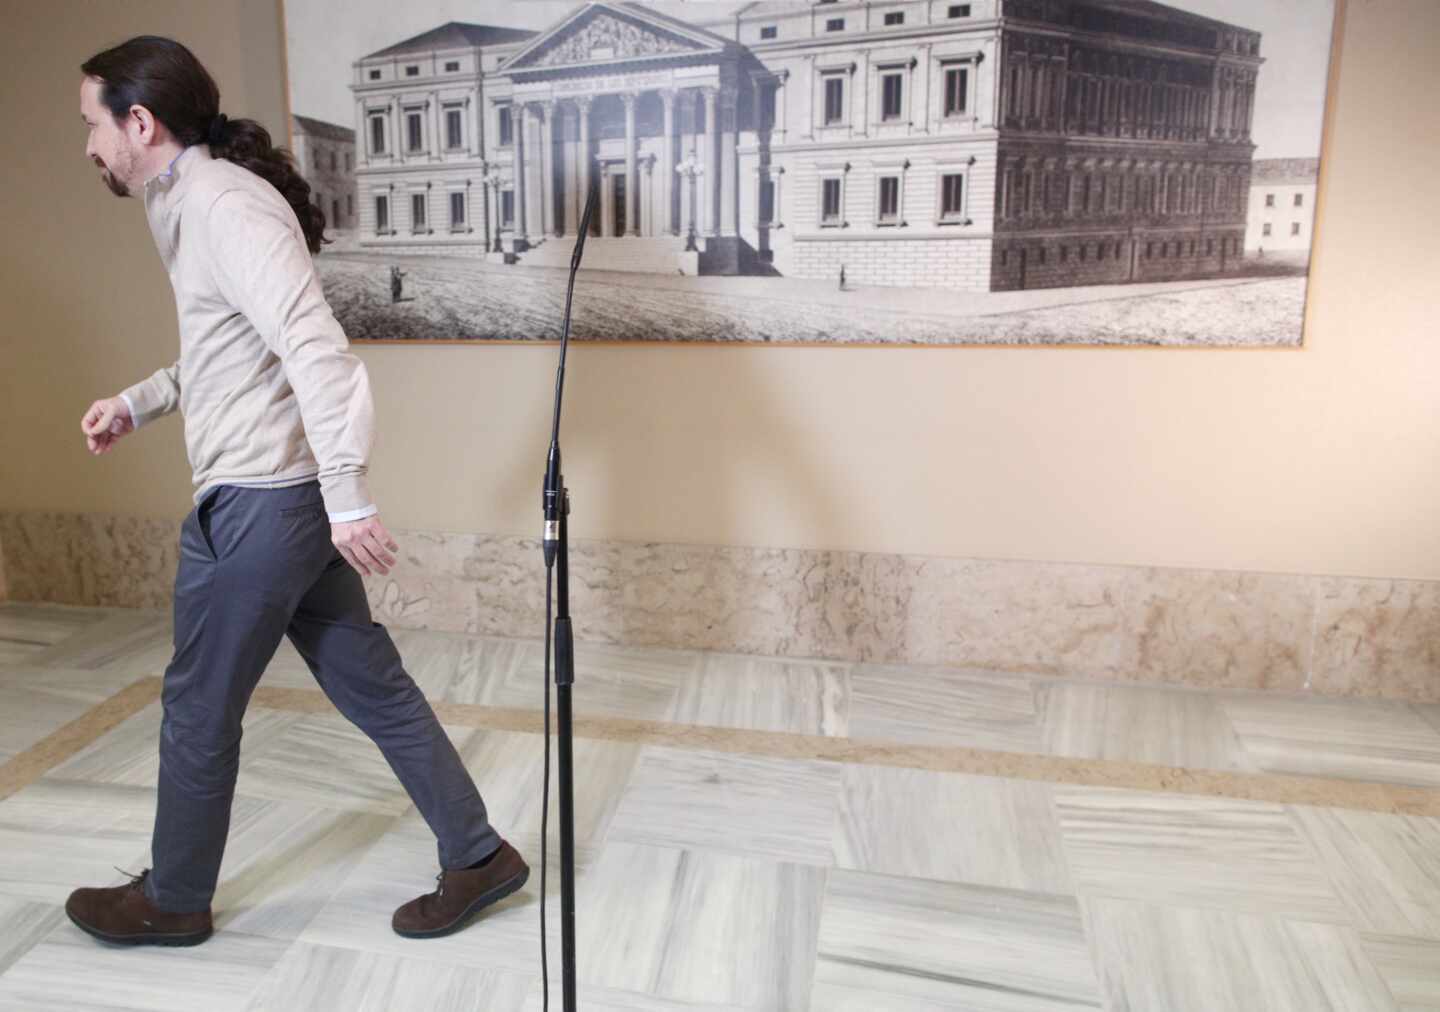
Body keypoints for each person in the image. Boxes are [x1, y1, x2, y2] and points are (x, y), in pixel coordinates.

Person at [67, 36, 527, 947]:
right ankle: (479, 855)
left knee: (199, 706)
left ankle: (175, 899)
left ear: (140, 122)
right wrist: (140, 401)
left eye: (92, 124)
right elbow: (222, 349)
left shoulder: (225, 206)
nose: (88, 146)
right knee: (373, 684)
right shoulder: (186, 203)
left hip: (261, 505)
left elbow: (316, 349)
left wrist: (347, 491)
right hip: (283, 500)